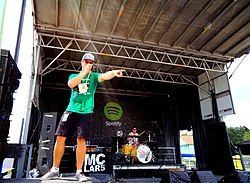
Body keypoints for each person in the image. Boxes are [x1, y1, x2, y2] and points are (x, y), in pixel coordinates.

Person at [41, 53, 125, 182]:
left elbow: (104, 76)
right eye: (86, 61)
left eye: (91, 62)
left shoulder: (94, 77)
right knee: (60, 137)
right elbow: (71, 84)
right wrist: (84, 73)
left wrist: (113, 73)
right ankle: (55, 169)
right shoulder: (74, 75)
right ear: (81, 62)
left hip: (85, 112)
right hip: (71, 110)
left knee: (81, 140)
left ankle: (79, 172)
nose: (88, 64)